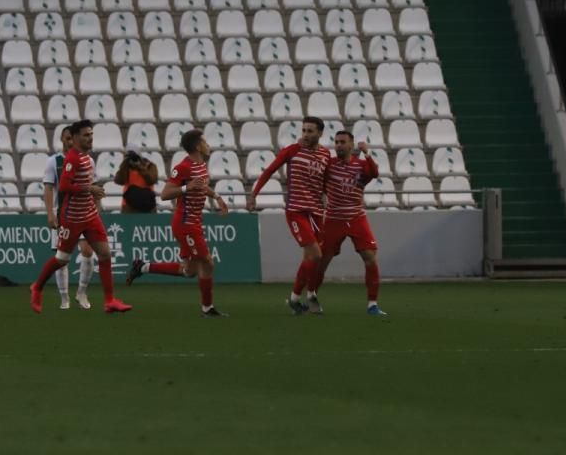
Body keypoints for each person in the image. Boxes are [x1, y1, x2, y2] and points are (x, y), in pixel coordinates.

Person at [29, 119, 132, 315]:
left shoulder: (87, 158)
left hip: (90, 215)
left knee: (105, 254)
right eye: (86, 135)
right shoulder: (72, 159)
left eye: (91, 134)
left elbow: (86, 184)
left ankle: (109, 300)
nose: (90, 138)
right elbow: (65, 186)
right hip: (72, 217)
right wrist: (89, 188)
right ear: (75, 138)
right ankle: (37, 287)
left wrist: (94, 195)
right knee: (61, 259)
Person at [126, 129, 228, 317]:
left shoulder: (201, 165)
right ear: (198, 146)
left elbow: (201, 186)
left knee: (189, 271)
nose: (208, 144)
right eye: (204, 141)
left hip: (195, 222)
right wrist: (185, 187)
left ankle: (143, 266)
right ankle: (207, 308)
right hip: (185, 223)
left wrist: (217, 196)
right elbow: (165, 194)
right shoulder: (183, 167)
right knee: (207, 263)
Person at [247, 116, 333, 315]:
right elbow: (269, 171)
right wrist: (254, 194)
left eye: (310, 131)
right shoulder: (292, 150)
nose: (305, 134)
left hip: (317, 213)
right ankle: (303, 295)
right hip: (296, 211)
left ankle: (302, 297)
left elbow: (326, 179)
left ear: (320, 133)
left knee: (313, 258)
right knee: (316, 254)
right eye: (304, 130)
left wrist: (325, 194)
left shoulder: (325, 154)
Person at [317, 131, 387, 316]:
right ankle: (311, 297)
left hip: (356, 217)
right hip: (333, 218)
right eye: (336, 142)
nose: (338, 145)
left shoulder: (361, 165)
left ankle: (372, 304)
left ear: (351, 145)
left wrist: (367, 153)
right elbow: (318, 180)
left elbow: (374, 173)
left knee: (370, 257)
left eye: (342, 142)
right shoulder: (329, 164)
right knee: (322, 261)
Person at [42, 125, 96, 310]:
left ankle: (81, 292)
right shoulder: (53, 161)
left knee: (88, 251)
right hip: (62, 214)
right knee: (62, 258)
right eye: (67, 139)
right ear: (62, 140)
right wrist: (50, 213)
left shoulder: (87, 160)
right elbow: (49, 188)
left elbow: (91, 187)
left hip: (83, 214)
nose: (70, 142)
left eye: (72, 139)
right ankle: (64, 298)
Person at [114, 144, 159, 213]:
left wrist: (141, 168)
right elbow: (118, 180)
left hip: (148, 203)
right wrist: (125, 163)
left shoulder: (150, 166)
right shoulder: (126, 167)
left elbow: (152, 180)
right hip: (129, 204)